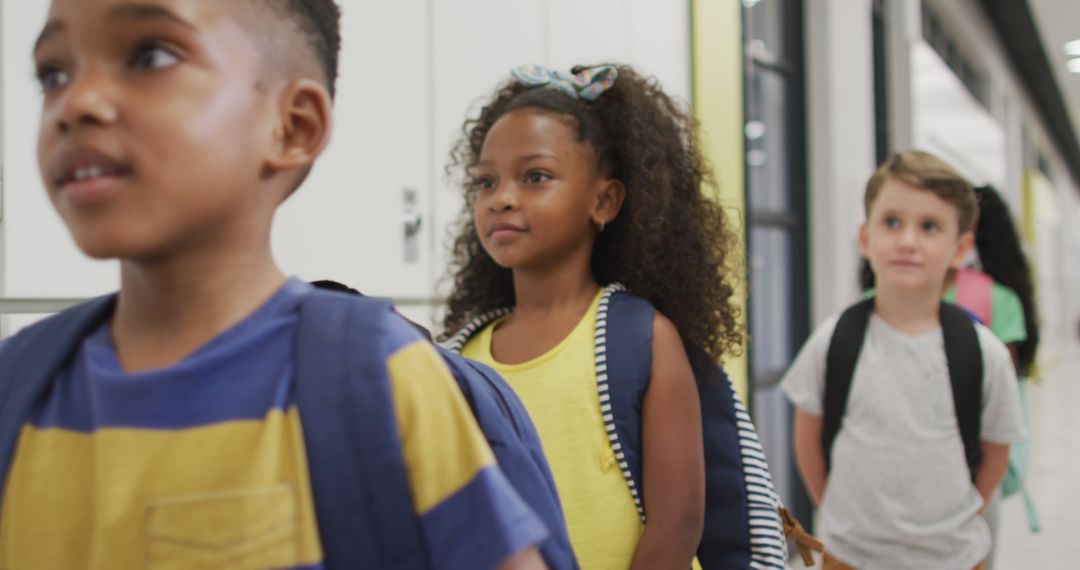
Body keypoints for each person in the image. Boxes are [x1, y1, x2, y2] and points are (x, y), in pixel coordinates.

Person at [0, 1, 547, 568]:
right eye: (54, 73)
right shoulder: (17, 387)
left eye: (149, 56)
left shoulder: (379, 377)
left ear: (293, 126)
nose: (78, 102)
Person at [439, 63, 747, 569]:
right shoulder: (461, 359)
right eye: (486, 182)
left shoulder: (642, 339)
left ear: (605, 200)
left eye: (535, 177)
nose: (502, 199)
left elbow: (676, 524)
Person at [782, 151, 1025, 569]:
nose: (908, 241)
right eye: (892, 222)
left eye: (929, 226)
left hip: (955, 558)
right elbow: (807, 439)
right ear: (865, 239)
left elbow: (997, 450)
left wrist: (959, 517)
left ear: (961, 248)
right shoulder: (833, 341)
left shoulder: (984, 353)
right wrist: (838, 514)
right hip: (849, 557)